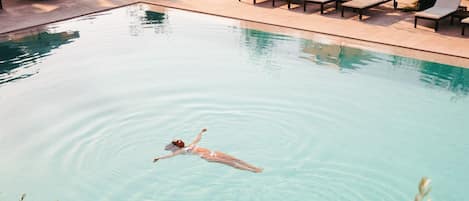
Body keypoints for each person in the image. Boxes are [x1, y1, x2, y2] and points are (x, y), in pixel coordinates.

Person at [153, 128, 263, 173]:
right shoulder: (180, 151)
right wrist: (158, 158)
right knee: (231, 163)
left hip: (212, 152)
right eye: (178, 143)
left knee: (235, 159)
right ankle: (253, 171)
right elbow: (169, 156)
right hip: (207, 157)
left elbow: (197, 139)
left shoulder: (190, 145)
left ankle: (255, 167)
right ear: (176, 146)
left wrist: (201, 132)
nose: (181, 142)